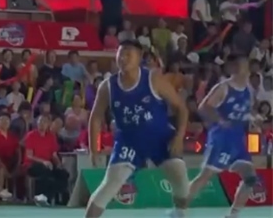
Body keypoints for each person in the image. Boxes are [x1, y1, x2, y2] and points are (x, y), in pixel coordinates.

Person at [84, 40, 191, 218]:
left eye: (128, 54)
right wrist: (93, 150)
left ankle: (178, 213)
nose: (123, 58)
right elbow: (95, 118)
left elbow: (181, 108)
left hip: (161, 139)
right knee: (108, 186)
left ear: (140, 57)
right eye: (120, 54)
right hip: (128, 143)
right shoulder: (107, 86)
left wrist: (179, 137)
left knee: (181, 182)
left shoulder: (154, 79)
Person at [187, 55, 259, 218]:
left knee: (250, 179)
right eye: (243, 65)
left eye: (247, 65)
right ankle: (179, 209)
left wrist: (253, 118)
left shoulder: (249, 89)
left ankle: (233, 215)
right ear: (233, 68)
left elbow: (245, 110)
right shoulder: (223, 87)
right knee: (205, 177)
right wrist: (219, 120)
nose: (247, 68)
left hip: (238, 141)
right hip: (221, 139)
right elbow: (203, 107)